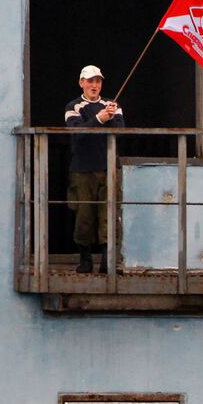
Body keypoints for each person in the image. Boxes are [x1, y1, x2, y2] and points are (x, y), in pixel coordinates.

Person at [64, 65, 124, 273]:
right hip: (83, 169)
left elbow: (120, 131)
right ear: (81, 83)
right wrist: (99, 119)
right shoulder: (74, 106)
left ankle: (107, 263)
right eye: (90, 81)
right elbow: (76, 133)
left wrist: (110, 116)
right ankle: (85, 260)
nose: (94, 85)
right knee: (84, 214)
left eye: (97, 81)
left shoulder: (112, 105)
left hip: (109, 168)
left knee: (109, 213)